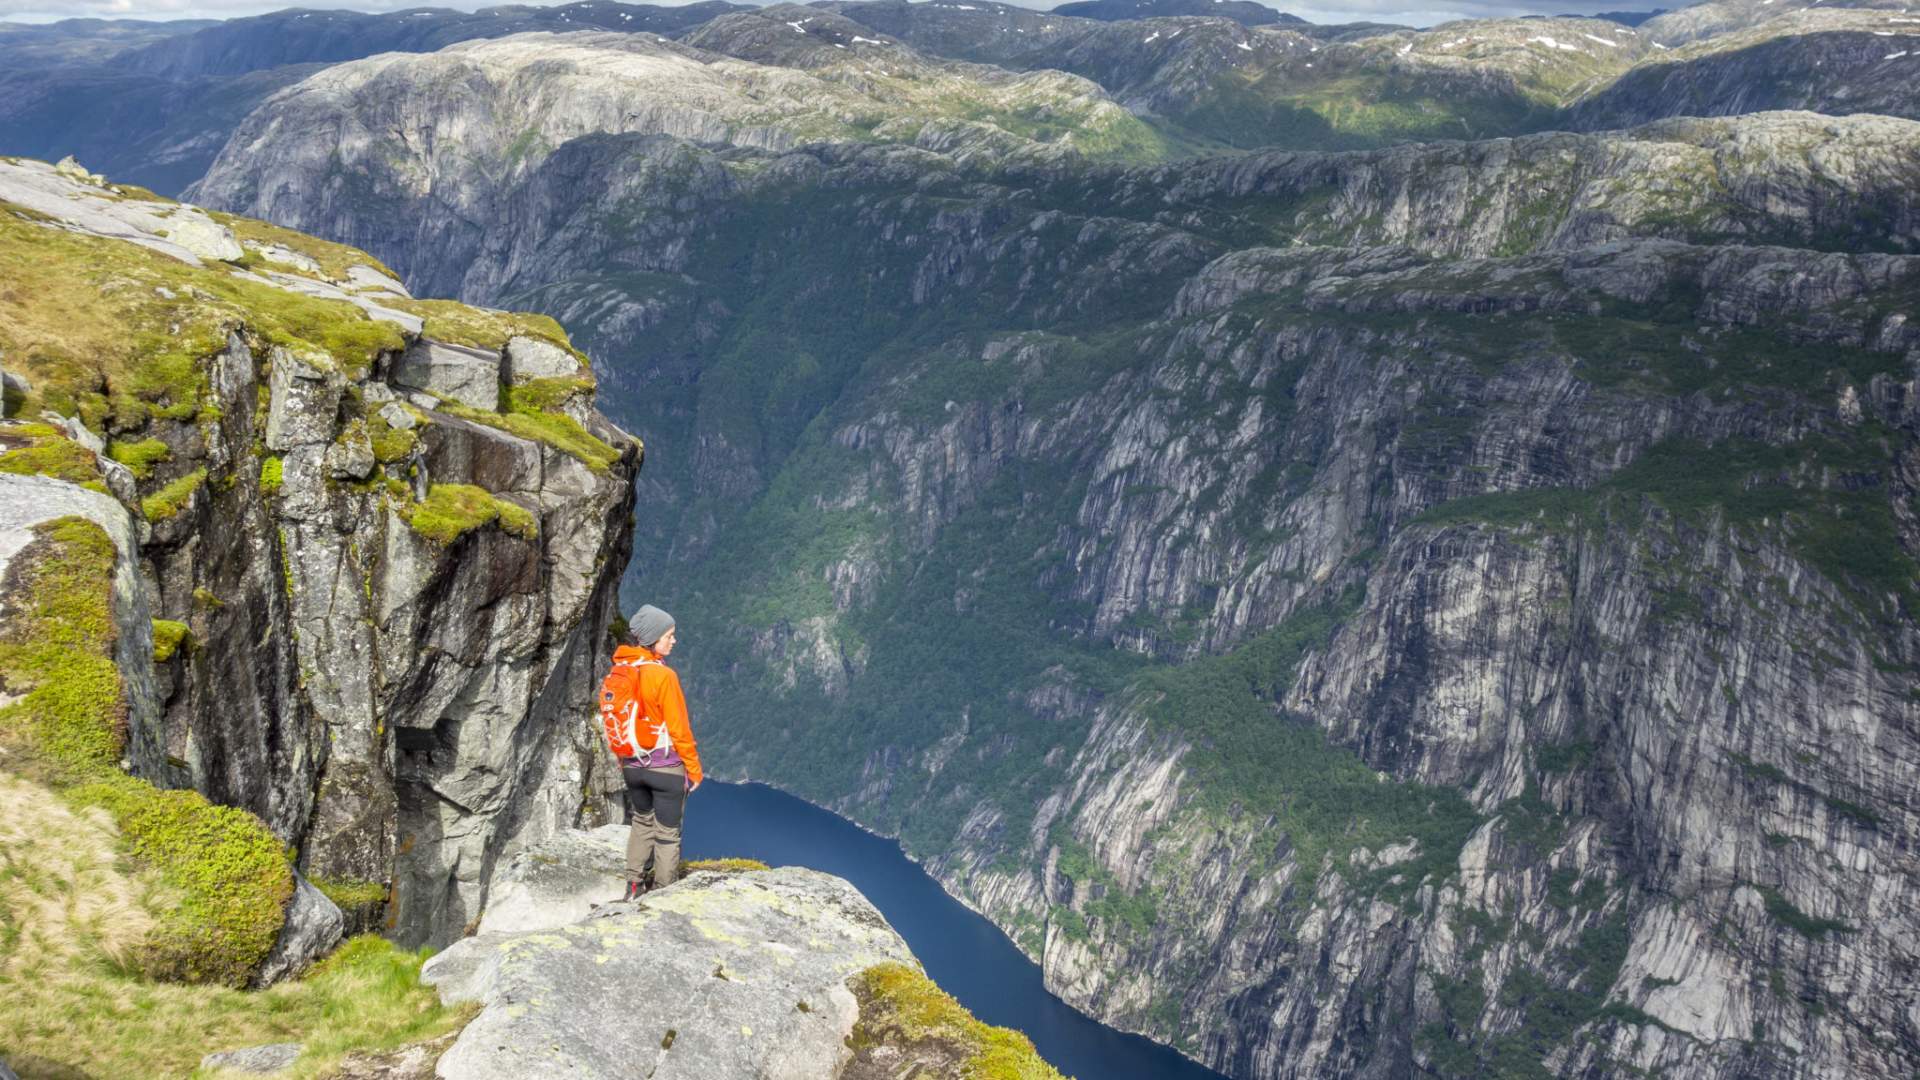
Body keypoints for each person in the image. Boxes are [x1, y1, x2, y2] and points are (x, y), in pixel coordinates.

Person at [599, 604, 702, 900]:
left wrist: (625, 760)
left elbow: (616, 721)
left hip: (632, 766)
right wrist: (693, 769)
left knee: (641, 822)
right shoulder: (663, 676)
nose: (674, 640)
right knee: (667, 833)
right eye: (669, 635)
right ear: (653, 638)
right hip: (665, 769)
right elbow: (679, 730)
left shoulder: (620, 671)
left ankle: (633, 887)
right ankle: (662, 896)